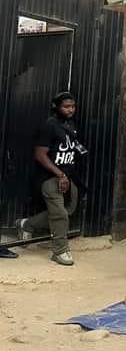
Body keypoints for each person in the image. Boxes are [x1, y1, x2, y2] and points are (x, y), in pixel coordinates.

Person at [18, 92, 87, 266]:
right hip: (50, 178)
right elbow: (40, 155)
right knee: (60, 214)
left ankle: (27, 224)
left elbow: (74, 145)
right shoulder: (49, 125)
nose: (70, 110)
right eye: (66, 106)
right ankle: (60, 251)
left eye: (73, 106)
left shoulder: (70, 124)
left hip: (68, 176)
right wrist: (60, 174)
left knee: (68, 210)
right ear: (56, 107)